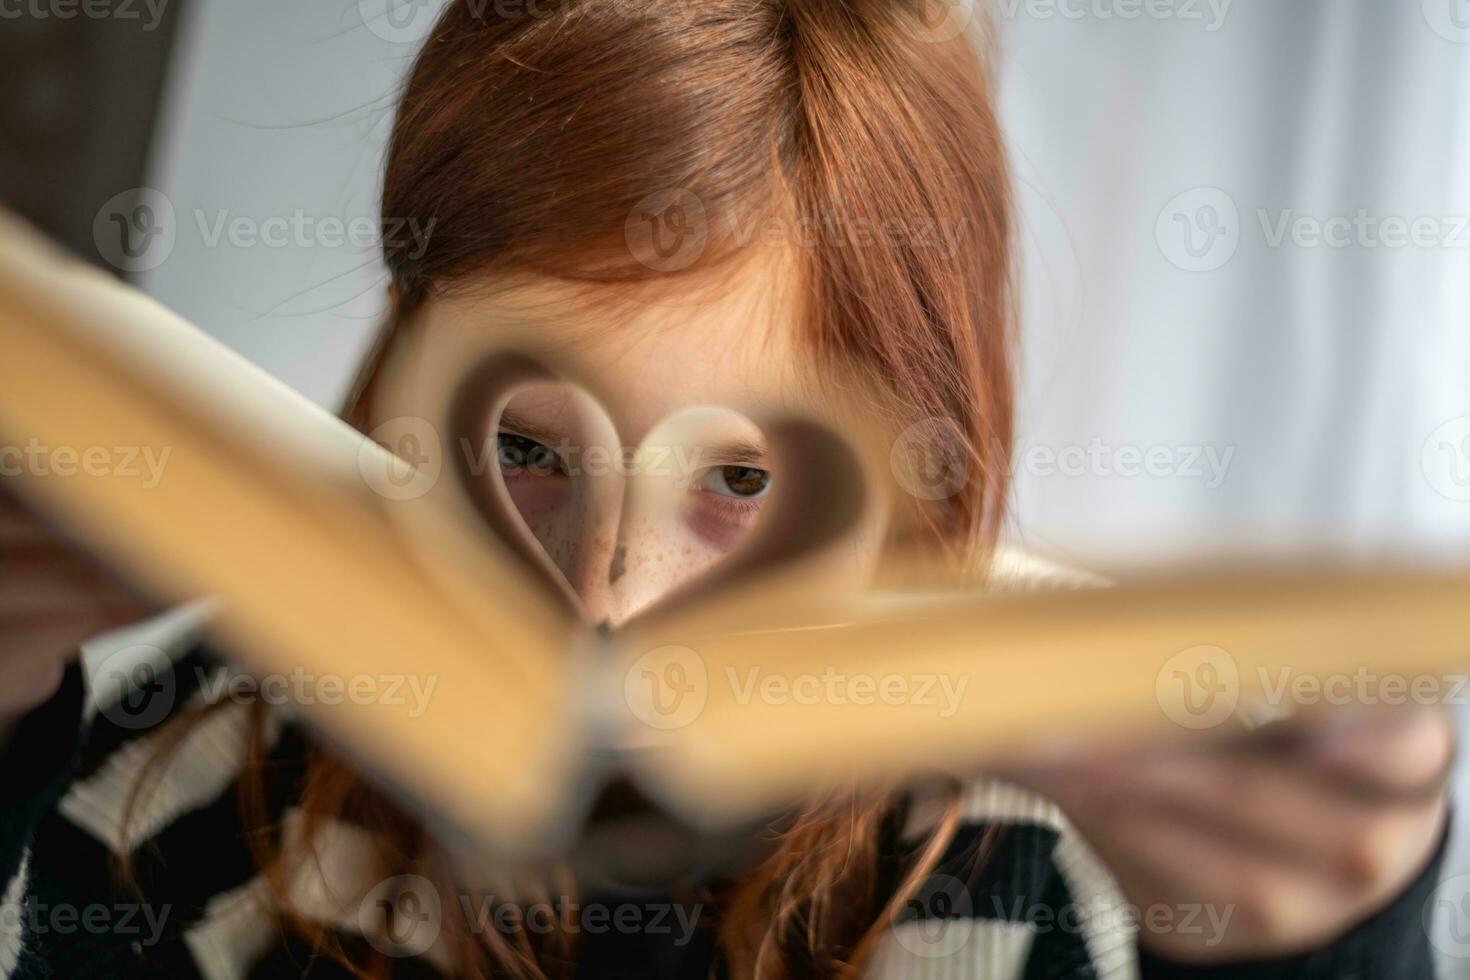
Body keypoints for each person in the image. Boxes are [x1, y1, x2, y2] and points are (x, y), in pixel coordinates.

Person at [0, 2, 1451, 977]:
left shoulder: (1024, 865)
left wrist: (1334, 941)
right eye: (526, 450)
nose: (605, 597)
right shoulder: (195, 760)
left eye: (740, 479)